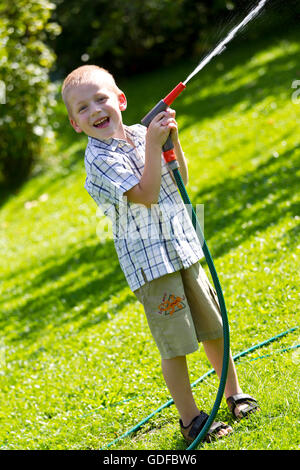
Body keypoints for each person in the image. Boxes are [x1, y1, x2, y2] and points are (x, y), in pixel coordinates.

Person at [61, 64, 259, 444]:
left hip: (183, 248)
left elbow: (179, 178)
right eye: (83, 109)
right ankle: (191, 419)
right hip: (152, 267)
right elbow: (146, 195)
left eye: (101, 99)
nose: (95, 111)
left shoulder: (141, 134)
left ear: (120, 100)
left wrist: (171, 141)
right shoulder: (99, 161)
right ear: (75, 124)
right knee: (176, 343)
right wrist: (153, 146)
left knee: (213, 327)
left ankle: (234, 393)